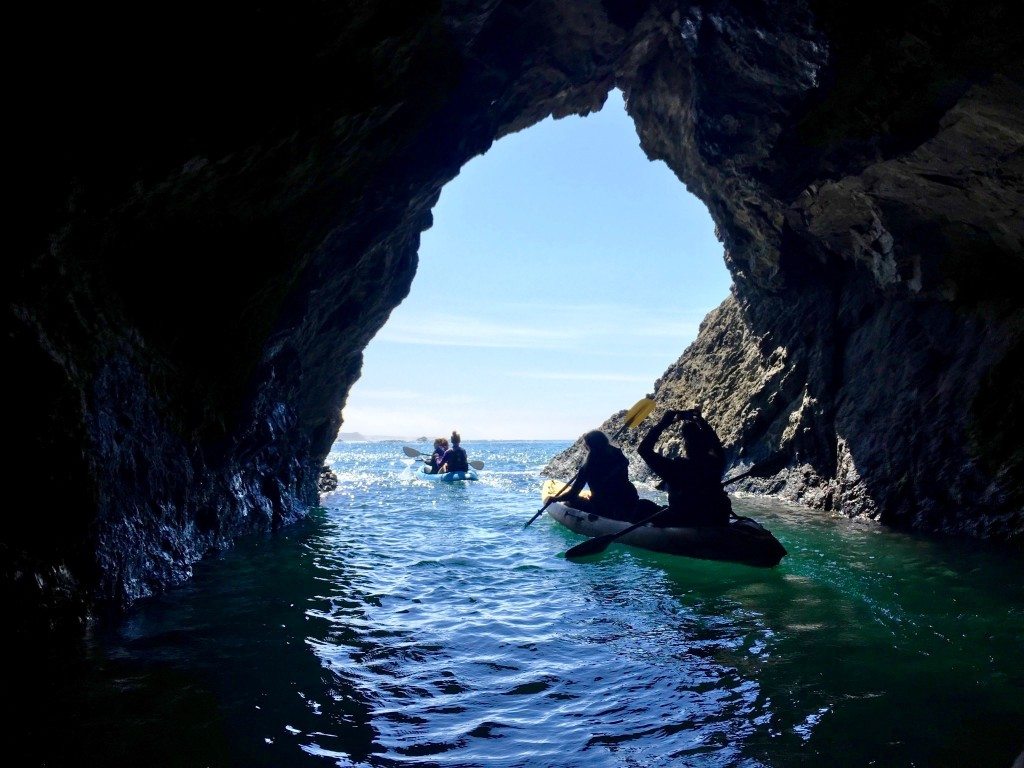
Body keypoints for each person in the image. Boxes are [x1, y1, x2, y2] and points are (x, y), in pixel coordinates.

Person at [637, 408, 731, 527]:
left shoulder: (676, 468)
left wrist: (663, 423)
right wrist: (700, 420)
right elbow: (715, 442)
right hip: (716, 520)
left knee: (643, 506)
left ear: (686, 446)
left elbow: (643, 449)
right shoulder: (717, 462)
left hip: (685, 522)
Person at [544, 430, 642, 522]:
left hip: (605, 509)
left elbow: (572, 494)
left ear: (589, 446)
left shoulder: (588, 466)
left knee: (570, 502)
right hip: (630, 500)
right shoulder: (620, 457)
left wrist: (555, 499)